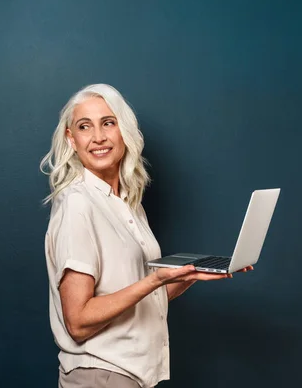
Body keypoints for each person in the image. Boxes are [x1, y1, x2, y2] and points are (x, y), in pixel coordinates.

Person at [40, 84, 252, 388]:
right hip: (100, 376)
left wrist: (187, 276)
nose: (98, 137)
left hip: (129, 375)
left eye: (108, 123)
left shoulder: (127, 203)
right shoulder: (77, 204)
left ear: (123, 131)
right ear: (71, 140)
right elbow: (78, 321)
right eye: (85, 127)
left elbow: (139, 302)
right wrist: (154, 279)